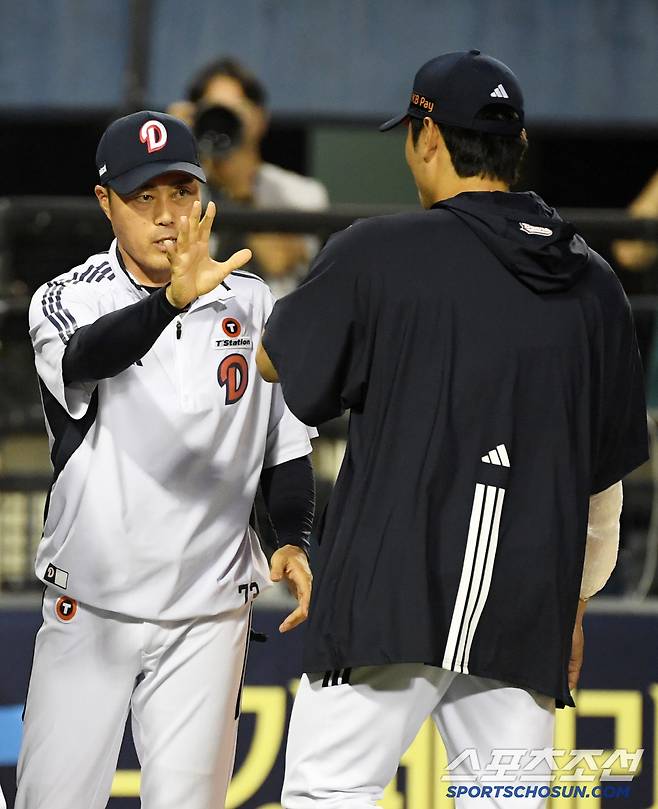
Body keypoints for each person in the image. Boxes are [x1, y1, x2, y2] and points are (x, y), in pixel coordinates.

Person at [256, 51, 649, 808]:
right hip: (523, 606)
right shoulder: (594, 282)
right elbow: (604, 483)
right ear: (518, 145)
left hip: (385, 597)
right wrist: (575, 605)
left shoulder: (378, 253)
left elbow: (276, 365)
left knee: (326, 795)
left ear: (428, 137)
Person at [17, 110, 315, 809]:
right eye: (143, 197)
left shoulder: (251, 298)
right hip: (91, 606)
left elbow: (284, 443)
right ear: (105, 202)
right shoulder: (66, 297)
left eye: (181, 194)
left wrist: (293, 539)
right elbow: (89, 356)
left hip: (208, 617)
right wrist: (174, 301)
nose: (166, 216)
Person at [169, 57, 329, 297]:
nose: (222, 121)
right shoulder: (178, 188)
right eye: (213, 110)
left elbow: (280, 264)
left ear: (259, 118)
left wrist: (239, 188)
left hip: (270, 326)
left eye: (232, 110)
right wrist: (173, 151)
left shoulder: (299, 192)